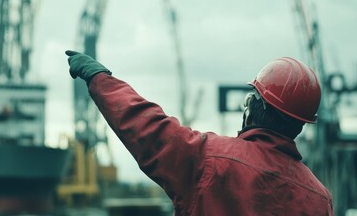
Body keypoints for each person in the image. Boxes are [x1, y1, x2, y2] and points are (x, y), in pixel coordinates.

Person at [64, 50, 333, 215]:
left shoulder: (210, 160)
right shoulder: (320, 200)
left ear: (255, 108)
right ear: (299, 124)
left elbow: (147, 127)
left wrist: (99, 78)